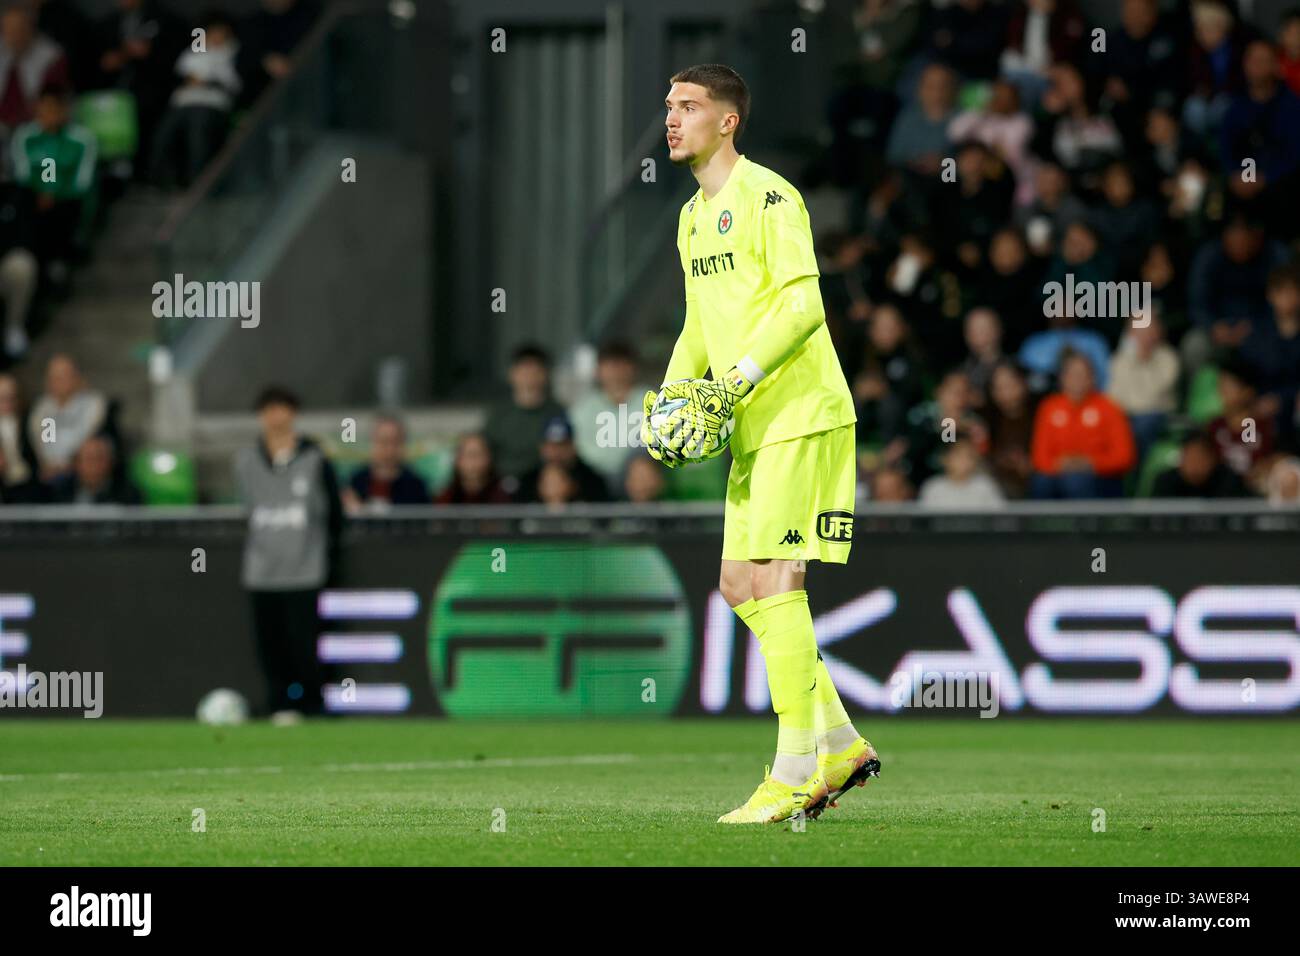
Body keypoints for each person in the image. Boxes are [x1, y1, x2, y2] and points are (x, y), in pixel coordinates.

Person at [647, 64, 876, 825]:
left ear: (728, 120)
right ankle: (840, 741)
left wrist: (735, 379)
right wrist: (676, 400)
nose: (672, 119)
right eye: (669, 107)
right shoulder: (689, 217)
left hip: (801, 413)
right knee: (739, 589)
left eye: (688, 106)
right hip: (752, 424)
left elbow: (807, 306)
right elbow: (698, 325)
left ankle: (792, 772)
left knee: (778, 582)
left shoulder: (771, 196)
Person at [233, 386, 342, 721]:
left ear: (293, 414)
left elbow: (334, 513)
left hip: (304, 568)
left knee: (305, 643)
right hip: (262, 569)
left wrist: (326, 555)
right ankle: (278, 701)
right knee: (270, 645)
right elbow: (247, 511)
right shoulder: (246, 460)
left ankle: (312, 703)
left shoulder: (314, 458)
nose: (276, 417)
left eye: (283, 408)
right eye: (269, 409)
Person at [10, 86, 97, 284]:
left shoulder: (82, 139)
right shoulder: (26, 136)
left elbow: (82, 180)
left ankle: (59, 259)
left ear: (63, 111)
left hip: (67, 201)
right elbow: (23, 173)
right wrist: (44, 189)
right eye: (43, 109)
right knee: (21, 200)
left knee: (64, 210)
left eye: (52, 109)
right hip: (34, 200)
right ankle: (33, 259)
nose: (47, 115)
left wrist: (52, 190)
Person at [149, 10, 241, 188]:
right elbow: (186, 71)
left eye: (220, 31)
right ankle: (159, 181)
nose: (216, 36)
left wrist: (206, 79)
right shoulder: (198, 48)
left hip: (212, 105)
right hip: (184, 103)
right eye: (212, 31)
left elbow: (233, 83)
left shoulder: (233, 50)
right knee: (163, 135)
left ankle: (198, 185)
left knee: (197, 137)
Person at [1029, 349, 1136, 498]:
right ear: (1062, 378)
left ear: (1092, 378)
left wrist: (1089, 463)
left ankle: (1086, 522)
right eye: (1072, 374)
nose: (1077, 380)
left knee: (1075, 481)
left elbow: (1124, 457)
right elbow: (1039, 456)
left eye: (1083, 374)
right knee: (1042, 481)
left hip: (1100, 477)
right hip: (1057, 473)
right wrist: (1062, 465)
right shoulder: (1049, 407)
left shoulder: (1110, 408)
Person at [568, 340, 652, 493]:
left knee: (642, 469)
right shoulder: (583, 407)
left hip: (639, 481)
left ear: (633, 368)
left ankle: (644, 516)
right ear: (598, 370)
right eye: (610, 365)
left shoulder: (651, 399)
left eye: (621, 364)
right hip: (593, 479)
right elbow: (578, 449)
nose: (616, 371)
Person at [482, 343, 565, 488]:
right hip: (500, 484)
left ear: (545, 375)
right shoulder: (498, 413)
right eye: (524, 371)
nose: (530, 378)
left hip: (542, 486)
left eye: (536, 371)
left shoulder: (557, 412)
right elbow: (486, 451)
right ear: (512, 374)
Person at [26, 352, 106, 480]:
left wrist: (71, 462)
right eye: (55, 377)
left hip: (80, 471)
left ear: (76, 377)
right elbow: (47, 441)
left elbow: (87, 433)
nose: (60, 381)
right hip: (50, 472)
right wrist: (51, 463)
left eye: (65, 375)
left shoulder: (93, 404)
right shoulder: (43, 409)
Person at [340, 414, 428, 512]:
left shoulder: (415, 486)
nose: (389, 450)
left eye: (395, 442)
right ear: (372, 442)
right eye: (383, 442)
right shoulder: (355, 482)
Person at [515, 415, 609, 504]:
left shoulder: (593, 482)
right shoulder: (528, 481)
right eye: (552, 446)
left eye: (562, 446)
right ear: (542, 448)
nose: (557, 453)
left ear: (573, 447)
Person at [49, 432, 140, 504]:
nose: (93, 465)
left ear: (111, 462)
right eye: (88, 459)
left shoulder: (127, 495)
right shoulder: (60, 493)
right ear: (76, 463)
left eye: (99, 458)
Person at [1152, 431, 1247, 498]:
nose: (1194, 465)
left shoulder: (1229, 481)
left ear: (1212, 459)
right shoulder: (1165, 482)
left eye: (1199, 458)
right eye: (1190, 458)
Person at [918, 438, 1005, 509]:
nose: (964, 461)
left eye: (969, 456)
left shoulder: (985, 486)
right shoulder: (933, 488)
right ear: (945, 459)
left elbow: (999, 518)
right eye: (958, 455)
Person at [0, 371, 42, 501]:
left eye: (11, 398)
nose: (7, 404)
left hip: (28, 482)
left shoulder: (31, 421)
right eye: (2, 399)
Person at [435, 432, 511, 505]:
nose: (473, 461)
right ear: (457, 460)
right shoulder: (445, 499)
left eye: (477, 454)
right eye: (469, 455)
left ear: (488, 458)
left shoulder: (505, 496)